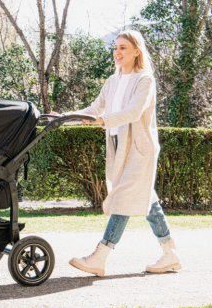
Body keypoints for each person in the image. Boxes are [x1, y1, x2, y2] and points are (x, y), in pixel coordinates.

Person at [67, 29, 181, 277]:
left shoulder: (144, 80)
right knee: (146, 199)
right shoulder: (112, 81)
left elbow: (133, 112)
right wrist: (66, 117)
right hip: (118, 146)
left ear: (137, 51)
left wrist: (102, 120)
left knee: (123, 198)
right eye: (116, 47)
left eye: (123, 48)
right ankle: (170, 253)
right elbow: (95, 108)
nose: (117, 52)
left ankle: (100, 255)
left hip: (140, 148)